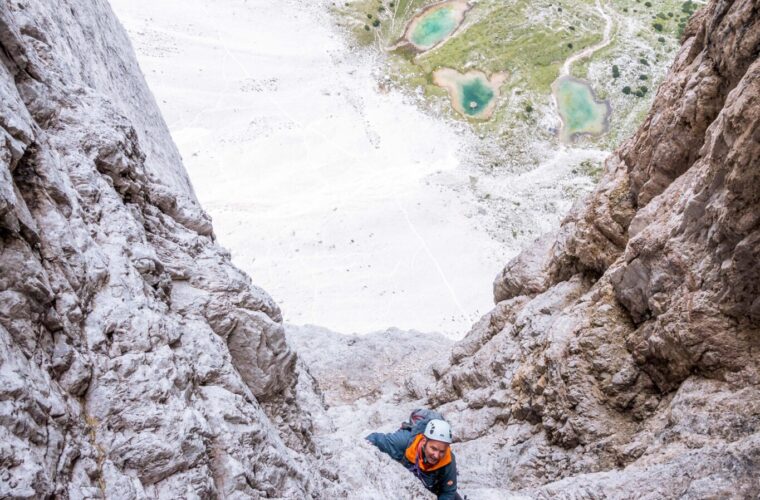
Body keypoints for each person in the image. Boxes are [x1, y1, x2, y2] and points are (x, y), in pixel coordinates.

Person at [367, 418, 462, 500]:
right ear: (424, 440)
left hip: (434, 488)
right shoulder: (404, 441)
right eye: (433, 448)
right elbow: (375, 439)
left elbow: (448, 492)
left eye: (442, 451)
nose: (436, 455)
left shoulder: (448, 460)